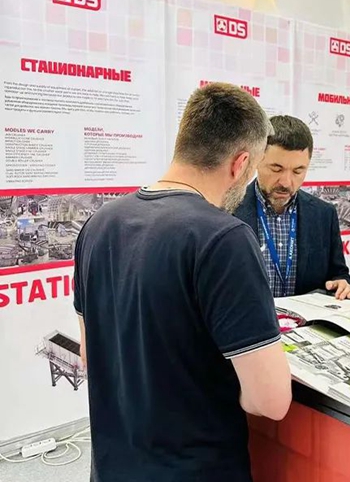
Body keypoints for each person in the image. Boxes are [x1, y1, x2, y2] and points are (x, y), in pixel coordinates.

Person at [74, 82, 292, 482]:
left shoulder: (99, 224)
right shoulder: (224, 238)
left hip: (113, 469)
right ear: (241, 163)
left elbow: (92, 353)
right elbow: (271, 401)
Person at [234, 115, 350, 299]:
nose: (286, 182)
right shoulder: (227, 211)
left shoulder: (323, 214)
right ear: (256, 160)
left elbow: (339, 274)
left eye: (298, 171)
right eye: (276, 169)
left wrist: (341, 284)